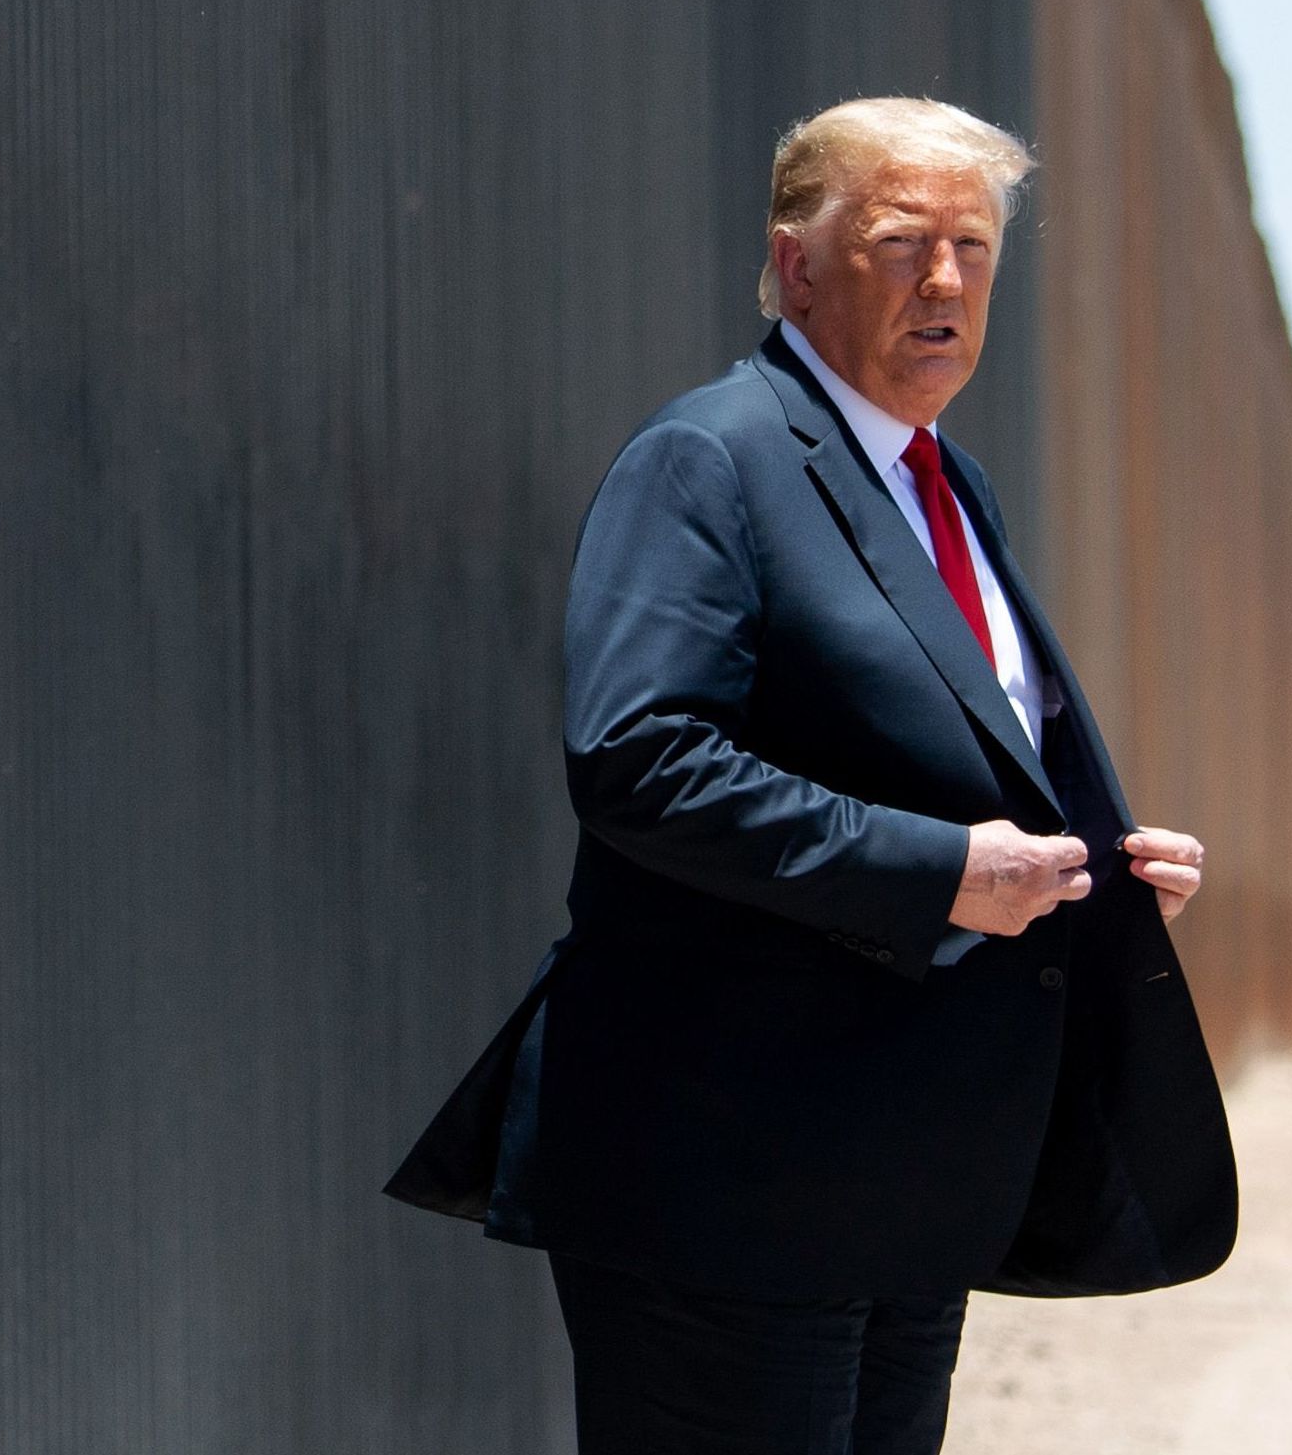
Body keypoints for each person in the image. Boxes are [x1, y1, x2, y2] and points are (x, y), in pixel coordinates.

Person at [387, 96, 1236, 1454]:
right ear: (794, 263)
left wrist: (1096, 858)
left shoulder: (947, 484)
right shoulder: (708, 460)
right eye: (904, 241)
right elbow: (639, 757)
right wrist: (949, 871)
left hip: (903, 1179)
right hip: (725, 1176)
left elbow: (948, 748)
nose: (946, 280)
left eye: (973, 245)